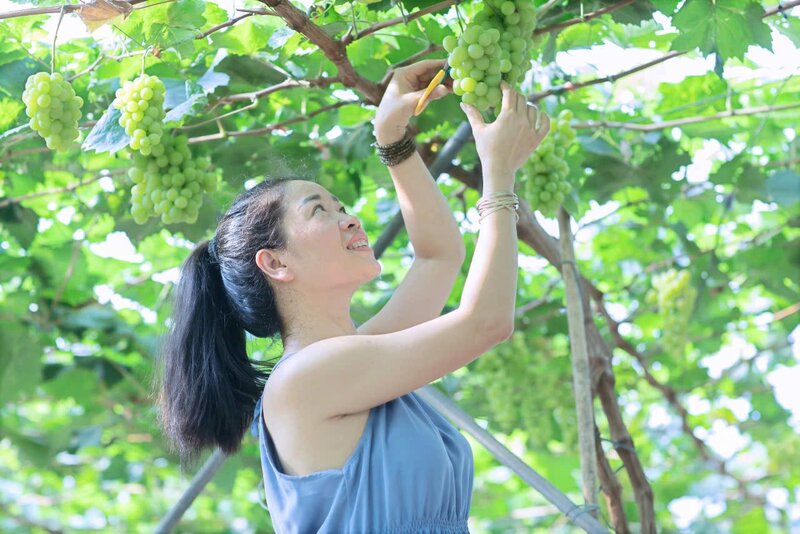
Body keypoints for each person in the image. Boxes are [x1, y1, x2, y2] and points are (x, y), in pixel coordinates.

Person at [154, 59, 550, 533]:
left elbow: (439, 256)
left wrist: (393, 140)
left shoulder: (355, 360)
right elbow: (486, 322)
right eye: (319, 210)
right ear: (275, 262)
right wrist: (499, 175)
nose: (350, 218)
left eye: (342, 206)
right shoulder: (306, 379)